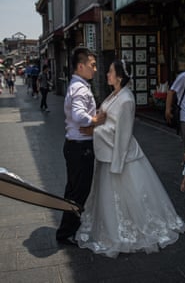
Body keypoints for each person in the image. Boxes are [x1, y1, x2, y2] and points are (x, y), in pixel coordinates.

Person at [75, 59, 185, 258]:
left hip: (121, 156)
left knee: (129, 197)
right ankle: (109, 226)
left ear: (119, 76)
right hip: (108, 154)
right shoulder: (114, 94)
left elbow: (123, 133)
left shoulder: (126, 99)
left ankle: (130, 230)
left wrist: (95, 131)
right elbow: (106, 118)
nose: (106, 74)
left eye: (109, 71)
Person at [56, 47, 106, 245]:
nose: (95, 69)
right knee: (79, 192)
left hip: (75, 146)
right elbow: (78, 115)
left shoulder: (78, 85)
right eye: (92, 65)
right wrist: (94, 120)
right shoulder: (79, 88)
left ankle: (66, 230)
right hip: (80, 148)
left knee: (73, 190)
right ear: (80, 66)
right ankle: (66, 232)